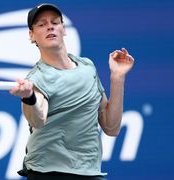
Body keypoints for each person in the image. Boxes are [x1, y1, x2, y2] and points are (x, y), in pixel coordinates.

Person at [9, 3, 135, 180]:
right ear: (32, 35)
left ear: (64, 28)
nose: (50, 26)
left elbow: (111, 127)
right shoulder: (37, 78)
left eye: (54, 22)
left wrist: (117, 77)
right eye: (41, 24)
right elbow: (38, 118)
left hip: (89, 171)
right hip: (48, 172)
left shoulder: (87, 67)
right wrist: (29, 97)